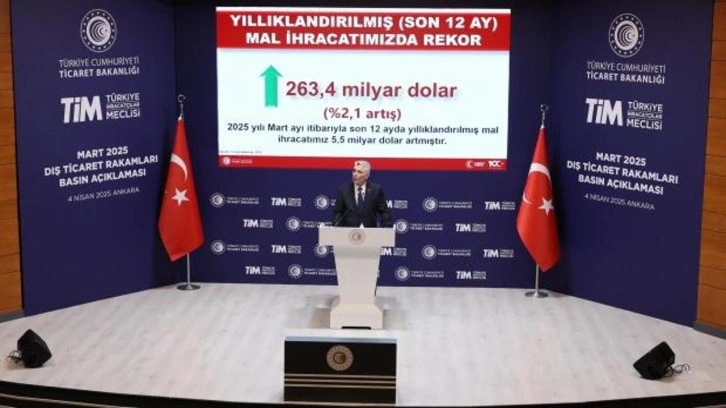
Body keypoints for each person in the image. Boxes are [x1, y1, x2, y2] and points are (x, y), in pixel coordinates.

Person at [333, 160, 392, 228]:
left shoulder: (376, 190)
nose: (355, 174)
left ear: (367, 176)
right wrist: (336, 228)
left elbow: (384, 212)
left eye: (359, 172)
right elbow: (338, 213)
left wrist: (387, 228)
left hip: (370, 231)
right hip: (349, 232)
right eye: (354, 171)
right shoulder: (344, 190)